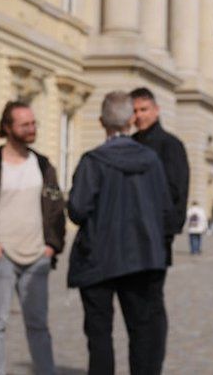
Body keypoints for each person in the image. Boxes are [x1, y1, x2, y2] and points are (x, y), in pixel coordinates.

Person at [68, 91, 173, 375]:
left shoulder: (93, 160)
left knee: (100, 335)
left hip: (98, 257)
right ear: (130, 120)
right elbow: (166, 209)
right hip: (142, 256)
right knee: (143, 333)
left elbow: (77, 210)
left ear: (102, 122)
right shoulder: (151, 160)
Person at [0, 101, 65, 375]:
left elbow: (56, 210)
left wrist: (52, 246)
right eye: (25, 124)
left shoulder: (43, 165)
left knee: (39, 325)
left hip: (37, 259)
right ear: (7, 128)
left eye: (33, 123)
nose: (32, 129)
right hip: (1, 257)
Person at [130, 87, 189, 265]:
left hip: (157, 232)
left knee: (149, 291)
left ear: (156, 110)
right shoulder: (129, 143)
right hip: (129, 231)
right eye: (134, 111)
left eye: (144, 109)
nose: (139, 116)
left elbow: (176, 190)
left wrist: (166, 228)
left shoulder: (170, 145)